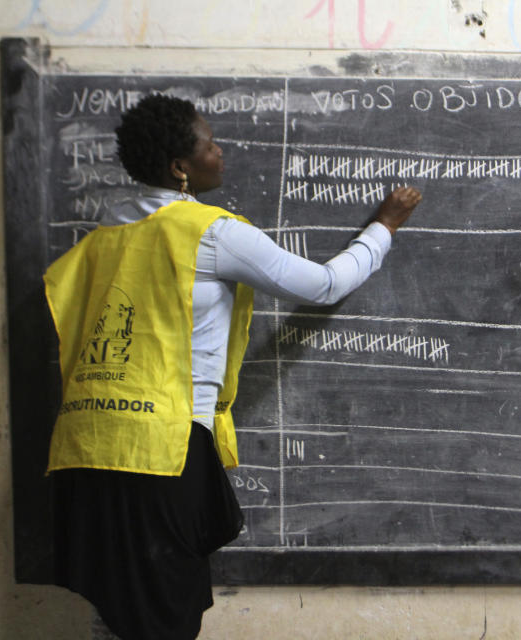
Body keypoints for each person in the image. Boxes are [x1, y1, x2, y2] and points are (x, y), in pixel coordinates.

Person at [44, 93, 421, 640]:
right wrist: (384, 225)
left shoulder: (99, 241)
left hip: (88, 450)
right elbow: (323, 285)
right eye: (210, 144)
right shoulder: (210, 233)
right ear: (181, 168)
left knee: (120, 612)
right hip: (160, 453)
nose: (221, 152)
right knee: (167, 616)